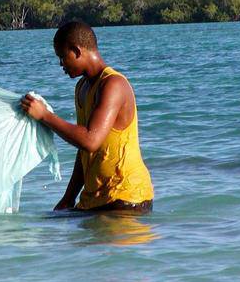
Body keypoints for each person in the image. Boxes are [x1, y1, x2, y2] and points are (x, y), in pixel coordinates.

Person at [20, 21, 154, 213]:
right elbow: (85, 151)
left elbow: (91, 140)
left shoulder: (113, 84)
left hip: (125, 198)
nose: (61, 64)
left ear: (76, 50)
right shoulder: (82, 87)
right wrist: (68, 198)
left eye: (62, 57)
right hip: (96, 199)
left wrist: (45, 116)